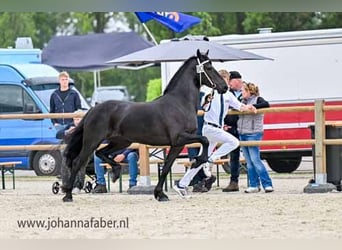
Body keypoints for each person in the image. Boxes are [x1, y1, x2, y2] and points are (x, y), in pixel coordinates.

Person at [173, 71, 253, 198]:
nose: (222, 82)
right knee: (234, 142)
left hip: (216, 130)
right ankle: (210, 160)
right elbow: (204, 107)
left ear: (227, 80)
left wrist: (250, 108)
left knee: (200, 159)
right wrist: (207, 101)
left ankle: (182, 184)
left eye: (225, 79)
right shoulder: (210, 92)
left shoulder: (228, 95)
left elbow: (240, 106)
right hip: (210, 128)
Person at [237, 82, 273, 193]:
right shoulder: (241, 101)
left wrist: (253, 107)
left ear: (249, 91)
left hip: (253, 133)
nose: (241, 92)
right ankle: (253, 184)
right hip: (242, 133)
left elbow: (266, 104)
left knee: (255, 159)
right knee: (249, 161)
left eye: (243, 90)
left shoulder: (258, 99)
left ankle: (267, 183)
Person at [222, 70, 243, 192]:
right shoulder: (225, 93)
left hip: (242, 126)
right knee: (233, 155)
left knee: (247, 154)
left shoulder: (245, 92)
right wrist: (223, 124)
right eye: (237, 81)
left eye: (240, 81)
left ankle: (252, 181)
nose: (240, 83)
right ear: (230, 82)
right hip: (230, 127)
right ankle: (234, 181)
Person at [56, 109, 86, 194]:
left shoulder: (87, 126)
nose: (76, 121)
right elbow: (58, 135)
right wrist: (67, 132)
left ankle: (78, 186)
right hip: (71, 151)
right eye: (75, 119)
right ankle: (66, 185)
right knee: (65, 161)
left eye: (79, 119)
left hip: (83, 150)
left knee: (79, 161)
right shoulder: (70, 126)